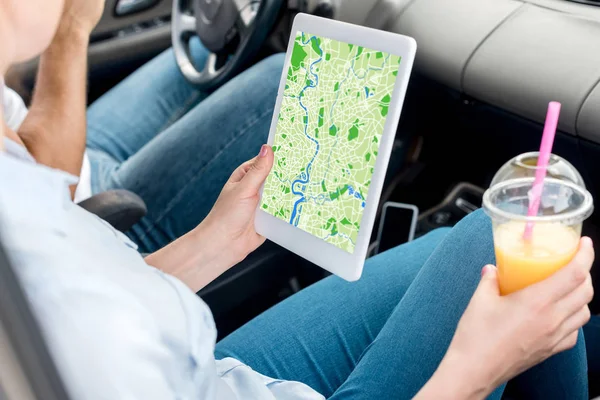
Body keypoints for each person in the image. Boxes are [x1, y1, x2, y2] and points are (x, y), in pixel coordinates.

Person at [0, 0, 596, 399]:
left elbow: (72, 311)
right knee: (508, 256)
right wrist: (475, 368)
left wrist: (215, 242)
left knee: (469, 254)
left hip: (197, 367)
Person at [2, 0, 284, 253]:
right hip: (92, 211)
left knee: (210, 47)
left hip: (63, 147)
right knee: (281, 80)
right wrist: (70, 28)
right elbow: (50, 192)